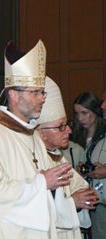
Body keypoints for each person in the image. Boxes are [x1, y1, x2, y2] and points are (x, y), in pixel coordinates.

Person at [0, 40, 74, 238]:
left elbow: (48, 192)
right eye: (35, 92)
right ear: (13, 94)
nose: (42, 98)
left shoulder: (34, 136)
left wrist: (57, 191)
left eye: (42, 92)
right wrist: (41, 183)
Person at [37, 77, 99, 238]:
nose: (69, 131)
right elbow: (32, 207)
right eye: (61, 126)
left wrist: (85, 197)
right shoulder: (32, 159)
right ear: (41, 132)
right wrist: (73, 202)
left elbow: (80, 189)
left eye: (67, 124)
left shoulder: (57, 156)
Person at [71, 92, 106, 237]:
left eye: (85, 113)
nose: (80, 118)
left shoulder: (104, 136)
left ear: (95, 111)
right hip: (84, 203)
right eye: (77, 113)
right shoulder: (74, 137)